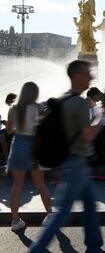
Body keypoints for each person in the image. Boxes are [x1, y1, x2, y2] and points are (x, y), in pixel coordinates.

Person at [30, 60, 105, 253]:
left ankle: (94, 248)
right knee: (62, 213)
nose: (91, 77)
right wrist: (100, 116)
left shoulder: (63, 99)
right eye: (88, 73)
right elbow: (88, 136)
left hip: (69, 161)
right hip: (76, 163)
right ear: (77, 76)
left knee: (89, 206)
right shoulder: (80, 103)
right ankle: (36, 250)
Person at [6, 82, 52, 231]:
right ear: (34, 94)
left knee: (17, 185)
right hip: (34, 146)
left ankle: (15, 221)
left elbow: (8, 129)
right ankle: (49, 216)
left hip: (19, 144)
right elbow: (44, 124)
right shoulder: (37, 107)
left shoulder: (13, 108)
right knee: (40, 183)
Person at [0, 93, 17, 163]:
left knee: (1, 137)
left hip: (16, 130)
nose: (9, 106)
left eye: (9, 104)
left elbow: (14, 125)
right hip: (13, 129)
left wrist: (7, 123)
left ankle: (7, 159)